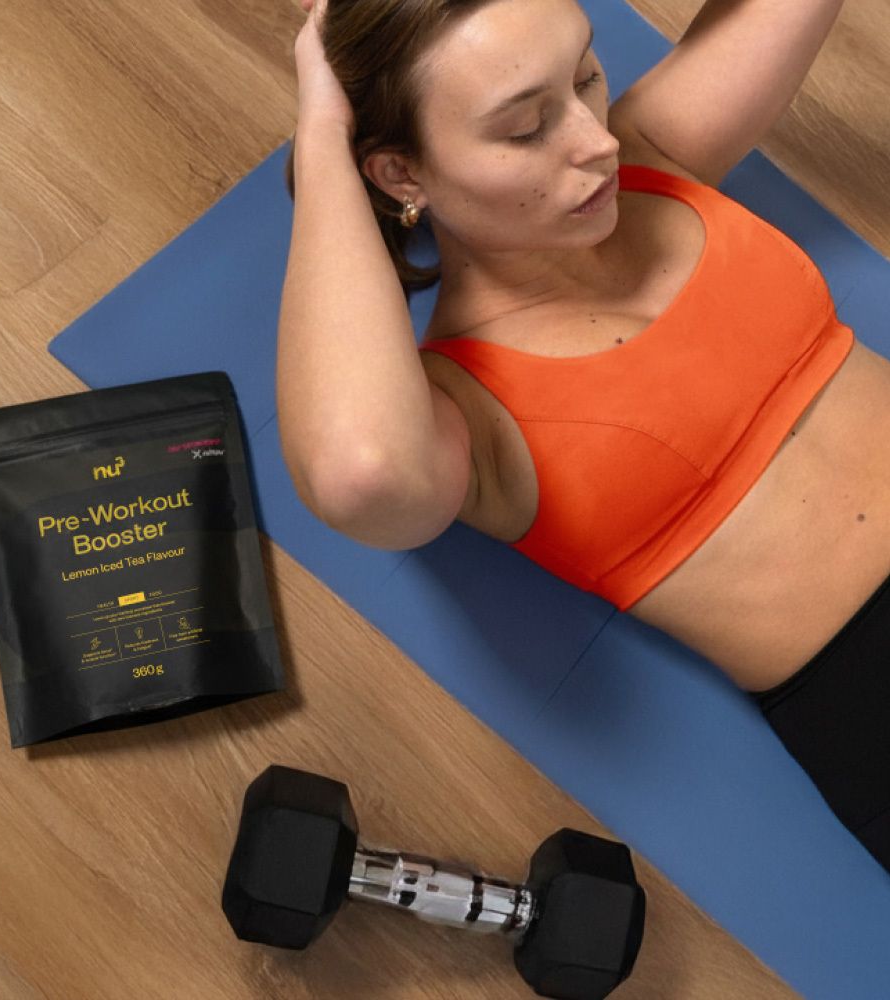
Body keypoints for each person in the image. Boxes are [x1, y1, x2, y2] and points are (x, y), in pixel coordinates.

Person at [276, 0, 890, 873]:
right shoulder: (465, 410)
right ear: (402, 175)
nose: (592, 140)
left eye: (586, 76)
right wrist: (321, 126)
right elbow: (356, 472)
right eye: (526, 127)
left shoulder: (649, 156)